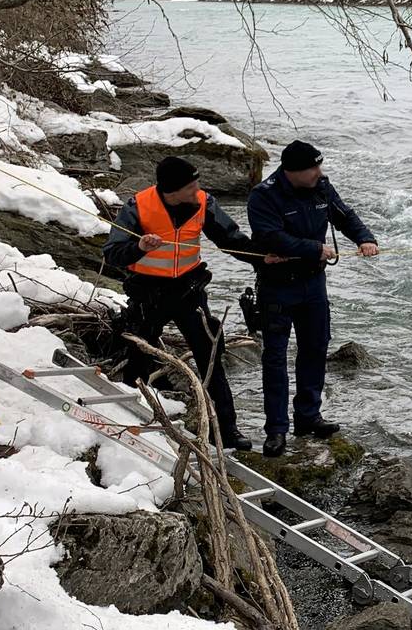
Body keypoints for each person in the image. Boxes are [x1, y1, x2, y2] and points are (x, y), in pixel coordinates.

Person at [102, 156, 269, 451]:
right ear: (172, 190)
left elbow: (231, 240)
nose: (198, 189)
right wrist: (139, 246)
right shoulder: (137, 207)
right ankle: (128, 418)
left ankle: (227, 430)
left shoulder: (203, 202)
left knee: (211, 356)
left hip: (188, 291)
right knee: (138, 358)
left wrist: (263, 257)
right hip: (148, 294)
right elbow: (113, 254)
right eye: (192, 185)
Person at [247, 140, 378, 456]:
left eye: (319, 166)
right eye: (313, 168)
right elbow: (270, 236)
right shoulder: (264, 195)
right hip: (277, 287)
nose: (320, 172)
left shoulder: (321, 187)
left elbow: (344, 215)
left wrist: (364, 238)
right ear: (293, 172)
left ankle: (308, 417)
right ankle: (276, 430)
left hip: (313, 284)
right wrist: (313, 248)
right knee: (276, 359)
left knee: (316, 349)